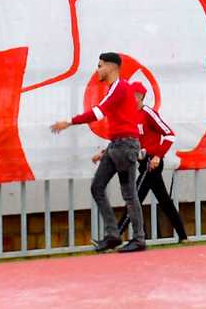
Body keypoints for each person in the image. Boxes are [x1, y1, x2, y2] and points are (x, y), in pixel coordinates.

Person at [50, 52, 146, 253]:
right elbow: (118, 122)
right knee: (97, 187)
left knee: (129, 194)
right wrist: (105, 151)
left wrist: (69, 122)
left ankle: (138, 239)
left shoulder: (119, 87)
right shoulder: (117, 88)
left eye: (100, 65)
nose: (98, 70)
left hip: (124, 146)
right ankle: (113, 235)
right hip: (117, 145)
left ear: (111, 67)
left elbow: (98, 112)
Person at [108, 81, 189, 244]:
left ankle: (114, 237)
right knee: (164, 201)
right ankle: (183, 236)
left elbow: (169, 134)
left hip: (152, 163)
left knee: (134, 198)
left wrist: (158, 156)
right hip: (142, 162)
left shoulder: (148, 113)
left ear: (139, 96)